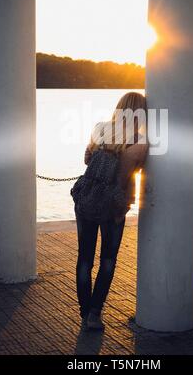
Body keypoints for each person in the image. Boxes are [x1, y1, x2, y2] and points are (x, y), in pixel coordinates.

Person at [75, 92, 148, 331]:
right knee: (107, 260)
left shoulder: (100, 128)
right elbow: (122, 179)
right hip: (111, 207)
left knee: (85, 259)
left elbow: (87, 161)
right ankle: (94, 314)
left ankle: (85, 313)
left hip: (86, 199)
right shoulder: (139, 143)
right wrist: (121, 208)